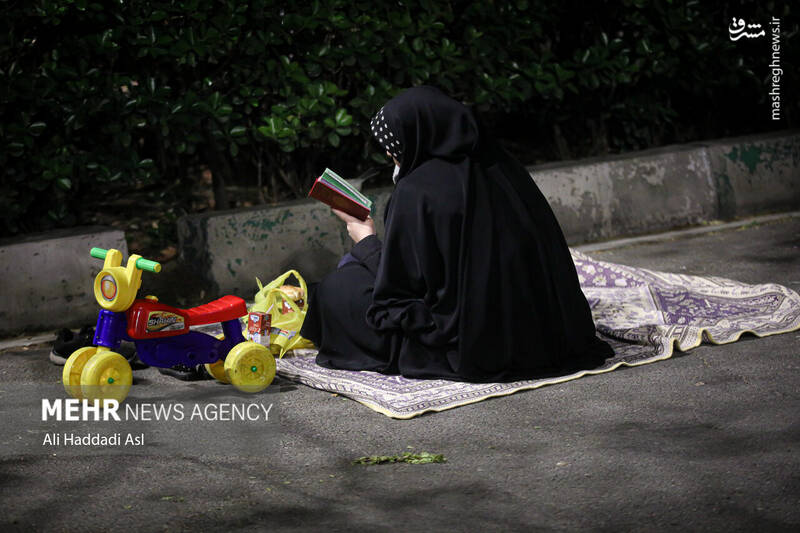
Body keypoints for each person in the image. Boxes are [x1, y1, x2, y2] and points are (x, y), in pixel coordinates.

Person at [299, 86, 612, 382]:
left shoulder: (417, 191)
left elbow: (401, 292)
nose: (393, 159)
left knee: (338, 289)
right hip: (548, 335)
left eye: (394, 149)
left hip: (472, 345)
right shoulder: (502, 166)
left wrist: (365, 239)